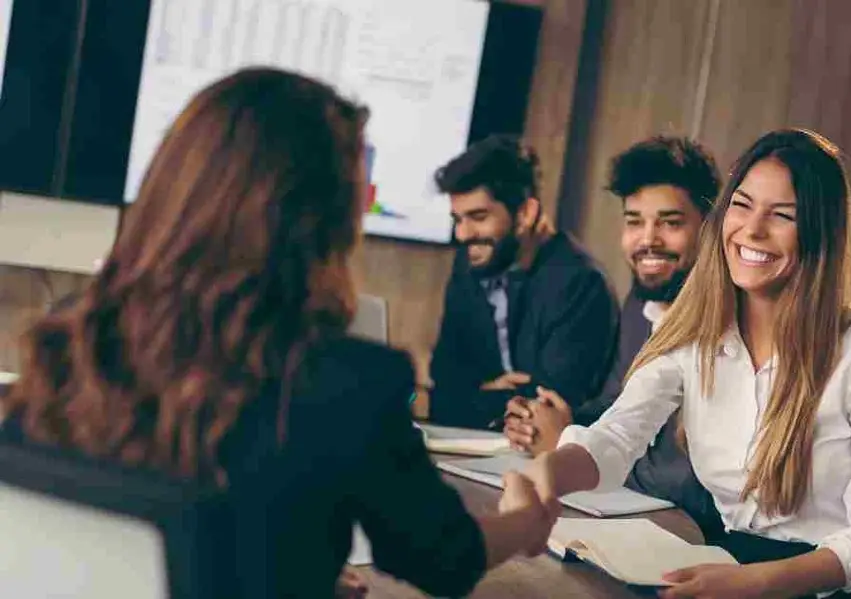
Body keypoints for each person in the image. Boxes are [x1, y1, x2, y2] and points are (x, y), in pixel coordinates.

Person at [0, 68, 557, 598]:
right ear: (323, 221)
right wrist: (524, 522)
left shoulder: (74, 337)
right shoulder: (347, 381)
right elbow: (444, 559)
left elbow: (128, 519)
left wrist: (293, 564)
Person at [523, 129, 851, 599]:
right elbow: (616, 438)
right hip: (723, 567)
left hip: (820, 588)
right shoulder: (695, 335)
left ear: (819, 233)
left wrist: (757, 583)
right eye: (742, 205)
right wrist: (544, 476)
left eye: (782, 216)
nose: (752, 230)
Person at [504, 136, 724, 540]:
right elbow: (617, 406)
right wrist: (552, 421)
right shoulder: (641, 301)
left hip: (699, 541)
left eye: (671, 223)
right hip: (633, 524)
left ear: (710, 229)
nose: (648, 239)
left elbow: (691, 484)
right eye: (634, 221)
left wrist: (567, 445)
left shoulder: (728, 325)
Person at [427, 134, 619, 429]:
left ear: (525, 213)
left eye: (478, 217)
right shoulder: (469, 264)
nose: (462, 234)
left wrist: (482, 394)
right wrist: (502, 398)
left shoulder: (582, 284)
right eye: (457, 219)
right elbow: (443, 386)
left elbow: (550, 410)